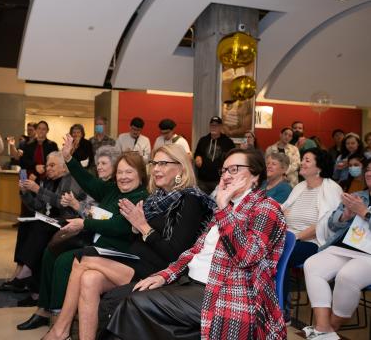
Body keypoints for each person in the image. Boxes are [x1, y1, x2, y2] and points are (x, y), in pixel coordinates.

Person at [106, 148, 287, 339]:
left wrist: (224, 207)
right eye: (224, 170)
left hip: (229, 293)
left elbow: (246, 257)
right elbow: (196, 250)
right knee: (128, 301)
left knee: (133, 304)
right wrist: (164, 276)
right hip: (193, 282)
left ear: (255, 176)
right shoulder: (228, 207)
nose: (226, 175)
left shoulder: (266, 208)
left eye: (234, 169)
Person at [42, 144, 215, 340]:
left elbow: (176, 254)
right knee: (89, 279)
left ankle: (60, 330)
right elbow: (138, 234)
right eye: (155, 163)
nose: (156, 169)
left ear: (181, 168)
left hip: (159, 270)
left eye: (163, 164)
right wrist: (136, 228)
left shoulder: (189, 200)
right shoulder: (157, 197)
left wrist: (142, 227)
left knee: (82, 258)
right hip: (137, 259)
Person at [17, 135, 149, 331]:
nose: (123, 177)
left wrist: (85, 223)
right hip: (98, 241)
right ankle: (44, 309)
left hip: (117, 248)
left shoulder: (140, 197)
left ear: (140, 174)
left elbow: (118, 227)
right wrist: (68, 158)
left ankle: (59, 318)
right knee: (51, 252)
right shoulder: (114, 189)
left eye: (129, 172)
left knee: (64, 261)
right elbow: (88, 181)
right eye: (120, 172)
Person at [0, 151, 88, 300]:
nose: (49, 168)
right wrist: (26, 192)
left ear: (64, 167)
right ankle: (22, 270)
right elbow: (36, 205)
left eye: (52, 165)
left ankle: (25, 276)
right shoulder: (48, 181)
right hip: (50, 220)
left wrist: (37, 189)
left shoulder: (71, 179)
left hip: (67, 221)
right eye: (47, 165)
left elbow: (62, 202)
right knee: (25, 224)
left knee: (40, 227)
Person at [302, 158, 371, 340]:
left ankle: (327, 330)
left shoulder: (362, 203)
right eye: (368, 170)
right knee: (312, 265)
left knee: (347, 276)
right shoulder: (359, 195)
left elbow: (365, 214)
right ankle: (324, 328)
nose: (369, 173)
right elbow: (333, 224)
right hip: (347, 247)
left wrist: (365, 213)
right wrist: (345, 217)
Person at [281, 147, 342, 321]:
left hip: (313, 243)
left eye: (307, 160)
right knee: (263, 251)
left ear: (319, 167)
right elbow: (284, 210)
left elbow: (325, 225)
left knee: (280, 254)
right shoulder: (299, 187)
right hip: (290, 238)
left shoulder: (331, 189)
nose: (302, 163)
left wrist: (295, 237)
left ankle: (282, 311)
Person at [193, 116, 235, 195]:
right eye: (212, 125)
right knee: (202, 204)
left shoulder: (228, 142)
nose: (214, 127)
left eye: (216, 125)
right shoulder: (203, 140)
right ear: (209, 126)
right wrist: (197, 157)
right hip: (203, 181)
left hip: (220, 181)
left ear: (221, 127)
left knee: (218, 204)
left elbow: (233, 158)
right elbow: (197, 153)